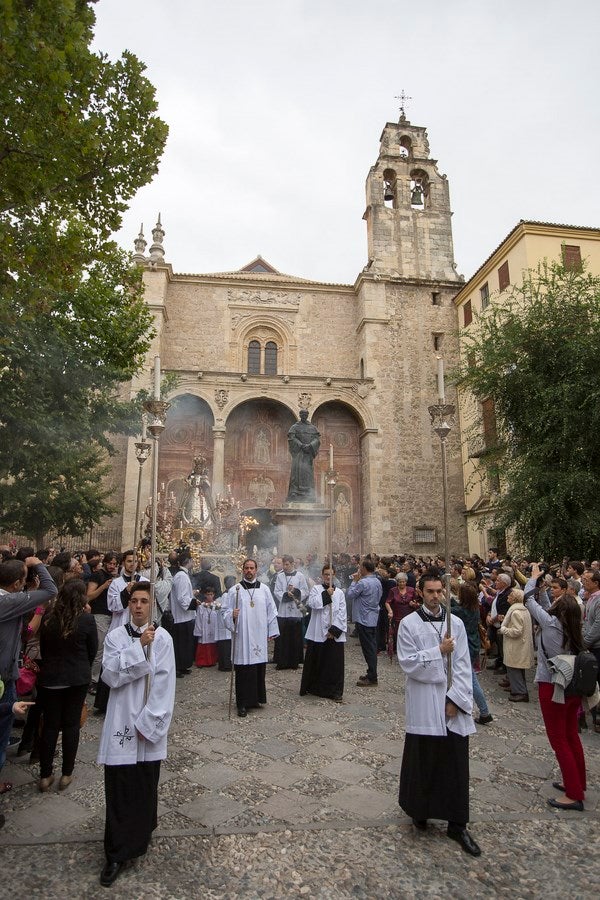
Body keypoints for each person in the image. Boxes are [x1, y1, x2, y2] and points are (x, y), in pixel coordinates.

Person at [97, 582, 176, 887]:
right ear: (128, 604)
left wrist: (152, 722)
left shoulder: (164, 639)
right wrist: (139, 646)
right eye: (135, 601)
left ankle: (141, 835)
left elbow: (166, 682)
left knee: (144, 784)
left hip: (147, 722)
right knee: (120, 787)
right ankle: (115, 852)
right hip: (120, 721)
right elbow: (110, 675)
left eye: (145, 601)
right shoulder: (117, 636)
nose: (139, 606)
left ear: (152, 605)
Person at [397, 572, 481, 856]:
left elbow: (462, 664)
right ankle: (420, 811)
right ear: (420, 592)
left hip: (450, 703)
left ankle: (457, 825)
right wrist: (438, 650)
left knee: (455, 764)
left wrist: (455, 699)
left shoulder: (454, 623)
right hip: (423, 702)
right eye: (430, 591)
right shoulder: (408, 624)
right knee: (424, 760)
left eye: (438, 591)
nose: (435, 596)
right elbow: (408, 663)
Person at [525, 564, 588, 811]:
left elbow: (530, 602)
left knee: (558, 739)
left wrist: (532, 579)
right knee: (571, 734)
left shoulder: (551, 624)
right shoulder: (572, 624)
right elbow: (540, 602)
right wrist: (542, 586)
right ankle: (577, 782)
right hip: (572, 683)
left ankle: (573, 794)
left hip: (553, 685)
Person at [0, 556, 57, 792]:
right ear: (15, 584)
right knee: (1, 737)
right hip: (2, 680)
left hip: (7, 674)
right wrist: (39, 565)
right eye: (23, 580)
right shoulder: (9, 601)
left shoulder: (11, 600)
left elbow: (24, 631)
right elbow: (50, 589)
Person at [37, 579, 98, 791]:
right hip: (76, 678)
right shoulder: (87, 620)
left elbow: (44, 649)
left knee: (51, 726)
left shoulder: (49, 618)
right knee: (72, 725)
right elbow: (93, 650)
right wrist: (82, 669)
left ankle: (45, 775)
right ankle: (66, 773)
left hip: (51, 678)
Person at [221, 559, 279, 717]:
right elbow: (224, 611)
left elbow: (272, 611)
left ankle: (256, 699)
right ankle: (242, 703)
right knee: (244, 669)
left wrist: (272, 631)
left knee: (258, 668)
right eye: (246, 568)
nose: (249, 571)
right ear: (242, 570)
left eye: (252, 568)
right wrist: (231, 615)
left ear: (256, 569)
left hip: (259, 634)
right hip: (243, 636)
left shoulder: (265, 589)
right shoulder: (235, 590)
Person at [300, 565, 346, 702]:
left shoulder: (340, 593)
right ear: (322, 575)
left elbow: (343, 613)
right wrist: (326, 595)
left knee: (334, 664)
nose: (328, 577)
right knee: (318, 661)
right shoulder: (316, 589)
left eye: (331, 574)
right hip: (318, 632)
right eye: (326, 574)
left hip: (333, 633)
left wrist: (334, 630)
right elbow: (313, 604)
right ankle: (316, 687)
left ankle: (335, 691)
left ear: (334, 575)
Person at [453, 581, 492, 725]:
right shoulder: (474, 608)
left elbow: (448, 608)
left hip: (466, 647)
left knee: (472, 680)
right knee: (469, 677)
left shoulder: (463, 611)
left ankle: (484, 712)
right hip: (473, 645)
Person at [86, 552, 118, 694]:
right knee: (99, 648)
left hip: (111, 615)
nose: (112, 566)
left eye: (114, 564)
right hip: (99, 614)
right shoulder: (97, 575)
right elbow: (89, 596)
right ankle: (93, 680)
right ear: (104, 563)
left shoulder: (114, 577)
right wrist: (104, 586)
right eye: (110, 563)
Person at [346, 558, 382, 686]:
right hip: (372, 617)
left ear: (365, 569)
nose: (359, 569)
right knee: (371, 647)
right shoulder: (377, 581)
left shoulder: (362, 583)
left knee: (369, 649)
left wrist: (354, 582)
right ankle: (371, 672)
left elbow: (350, 595)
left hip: (363, 618)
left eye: (360, 567)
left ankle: (372, 677)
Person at [499, 587, 534, 703]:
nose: (508, 597)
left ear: (514, 599)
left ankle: (520, 692)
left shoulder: (516, 612)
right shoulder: (523, 610)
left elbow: (517, 631)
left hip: (516, 646)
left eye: (510, 596)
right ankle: (517, 688)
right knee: (517, 669)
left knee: (514, 669)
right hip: (520, 646)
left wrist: (504, 629)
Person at [273, 554, 308, 670]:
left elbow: (305, 591)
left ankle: (294, 662)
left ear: (292, 564)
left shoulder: (300, 576)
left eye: (287, 564)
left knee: (295, 636)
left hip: (295, 610)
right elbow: (276, 591)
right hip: (283, 610)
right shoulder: (280, 576)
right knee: (283, 637)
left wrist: (296, 592)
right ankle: (282, 661)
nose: (285, 567)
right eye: (284, 564)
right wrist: (285, 594)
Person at [170, 549, 198, 677]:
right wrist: (193, 603)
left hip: (185, 617)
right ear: (189, 561)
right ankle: (178, 667)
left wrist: (192, 596)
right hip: (181, 617)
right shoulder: (181, 576)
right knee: (180, 644)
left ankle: (183, 666)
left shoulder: (183, 575)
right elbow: (182, 598)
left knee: (185, 643)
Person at [286, 409, 320, 502]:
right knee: (296, 472)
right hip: (298, 453)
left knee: (308, 472)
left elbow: (317, 439)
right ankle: (294, 491)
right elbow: (291, 438)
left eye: (306, 414)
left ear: (307, 415)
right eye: (302, 414)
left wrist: (310, 445)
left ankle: (309, 492)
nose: (304, 416)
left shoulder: (312, 428)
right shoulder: (294, 427)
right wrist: (301, 445)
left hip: (308, 453)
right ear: (300, 415)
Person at [194, 587, 219, 667]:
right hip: (204, 629)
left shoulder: (217, 605)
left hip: (213, 628)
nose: (209, 596)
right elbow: (198, 619)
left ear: (214, 595)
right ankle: (202, 662)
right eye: (208, 595)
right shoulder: (201, 606)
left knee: (213, 644)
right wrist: (199, 630)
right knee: (203, 644)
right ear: (205, 595)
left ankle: (213, 661)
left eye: (211, 594)